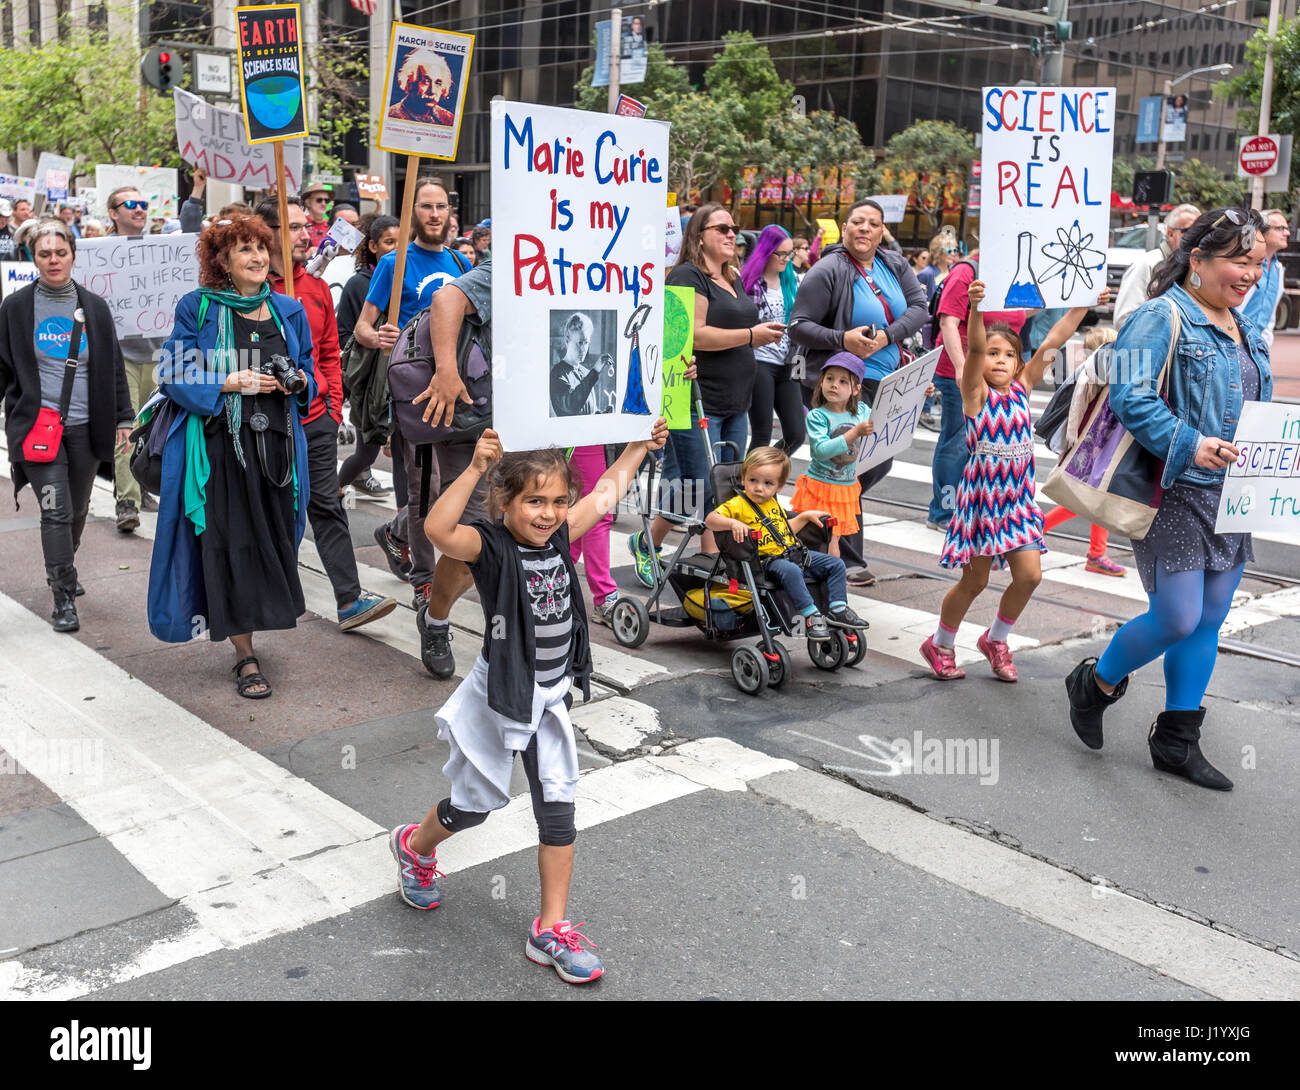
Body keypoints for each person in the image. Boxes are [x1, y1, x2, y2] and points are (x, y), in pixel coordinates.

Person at [389, 419, 669, 985]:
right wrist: (475, 467)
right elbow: (439, 530)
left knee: (558, 811)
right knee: (473, 808)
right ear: (504, 502)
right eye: (534, 501)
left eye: (559, 501)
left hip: (550, 699)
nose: (549, 514)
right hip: (501, 696)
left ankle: (551, 929)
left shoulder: (561, 534)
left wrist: (639, 446)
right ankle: (416, 846)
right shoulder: (489, 546)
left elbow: (606, 491)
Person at [1065, 208, 1271, 792]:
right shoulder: (1156, 315)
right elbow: (1128, 396)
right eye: (1239, 261)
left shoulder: (1246, 324)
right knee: (1177, 617)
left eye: (1258, 263)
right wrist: (1189, 442)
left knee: (1208, 620)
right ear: (1197, 258)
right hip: (1174, 489)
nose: (1251, 274)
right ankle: (1095, 683)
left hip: (1234, 494)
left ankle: (1177, 740)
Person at [147, 214, 318, 697]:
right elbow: (172, 372)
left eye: (261, 248)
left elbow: (310, 371)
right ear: (222, 261)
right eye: (245, 249)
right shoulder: (197, 307)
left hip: (279, 451)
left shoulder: (289, 310)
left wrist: (299, 383)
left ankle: (258, 618)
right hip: (220, 450)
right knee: (231, 544)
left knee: (274, 540)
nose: (257, 257)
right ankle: (245, 655)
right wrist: (227, 382)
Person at [921, 279, 1091, 683]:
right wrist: (978, 309)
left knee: (1030, 576)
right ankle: (940, 643)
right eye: (993, 354)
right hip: (983, 502)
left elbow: (1053, 340)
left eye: (1009, 355)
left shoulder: (1022, 388)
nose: (999, 360)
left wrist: (1081, 306)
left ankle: (995, 639)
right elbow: (974, 349)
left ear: (1018, 362)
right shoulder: (974, 393)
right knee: (975, 580)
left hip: (1017, 502)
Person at [254, 196, 395, 632]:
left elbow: (330, 352)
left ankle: (349, 599)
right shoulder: (248, 288)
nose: (306, 235)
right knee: (271, 509)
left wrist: (332, 408)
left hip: (315, 419)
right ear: (266, 234)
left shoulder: (314, 287)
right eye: (294, 227)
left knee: (327, 504)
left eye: (306, 226)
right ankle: (266, 596)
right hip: (265, 423)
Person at [355, 175, 471, 674]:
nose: (434, 214)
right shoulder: (393, 264)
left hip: (459, 393)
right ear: (412, 214)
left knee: (462, 492)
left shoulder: (461, 264)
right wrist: (378, 336)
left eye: (441, 206)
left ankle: (397, 529)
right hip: (412, 395)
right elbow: (363, 327)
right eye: (425, 206)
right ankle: (425, 583)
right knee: (427, 489)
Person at [0, 220, 134, 632]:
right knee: (55, 511)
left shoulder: (95, 307)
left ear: (74, 256)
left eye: (61, 253)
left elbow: (113, 367)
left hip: (86, 429)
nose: (53, 260)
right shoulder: (15, 308)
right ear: (33, 257)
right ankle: (62, 596)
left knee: (76, 510)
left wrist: (124, 417)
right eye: (45, 254)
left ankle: (65, 567)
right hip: (37, 430)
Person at [788, 198, 929, 586]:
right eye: (857, 222)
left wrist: (888, 335)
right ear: (845, 228)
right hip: (847, 384)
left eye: (873, 224)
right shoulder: (828, 269)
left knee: (873, 463)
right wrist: (842, 339)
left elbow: (919, 308)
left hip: (890, 380)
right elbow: (798, 325)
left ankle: (817, 520)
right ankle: (845, 557)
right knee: (851, 463)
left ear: (882, 231)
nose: (865, 229)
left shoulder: (894, 264)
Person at [706, 446, 869, 641]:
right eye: (752, 480)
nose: (759, 488)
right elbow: (710, 520)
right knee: (790, 570)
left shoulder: (772, 503)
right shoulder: (737, 505)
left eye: (768, 483)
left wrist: (805, 516)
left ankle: (838, 609)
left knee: (836, 564)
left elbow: (784, 530)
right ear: (743, 480)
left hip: (792, 553)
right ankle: (811, 616)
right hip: (764, 562)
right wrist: (733, 523)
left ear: (779, 487)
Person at [665, 203, 782, 463]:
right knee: (698, 484)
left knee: (728, 483)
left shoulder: (732, 276)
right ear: (699, 237)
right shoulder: (687, 275)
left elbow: (735, 333)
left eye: (734, 229)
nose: (731, 234)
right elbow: (693, 336)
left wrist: (762, 335)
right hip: (699, 403)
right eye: (722, 229)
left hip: (737, 404)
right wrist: (751, 335)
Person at [925, 247, 1025, 535]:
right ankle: (944, 511)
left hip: (996, 373)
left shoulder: (1011, 272)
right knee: (957, 442)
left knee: (983, 444)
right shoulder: (966, 271)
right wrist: (961, 366)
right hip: (961, 373)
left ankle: (972, 508)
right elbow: (948, 322)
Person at [1038, 323, 1127, 576]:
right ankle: (1034, 531)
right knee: (1087, 499)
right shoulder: (1099, 377)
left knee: (1096, 498)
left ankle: (1096, 554)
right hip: (1092, 447)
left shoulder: (1095, 374)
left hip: (1095, 446)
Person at [105, 185, 165, 533]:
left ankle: (141, 486)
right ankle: (126, 502)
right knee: (125, 428)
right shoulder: (100, 254)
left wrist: (198, 190)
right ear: (114, 213)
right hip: (121, 357)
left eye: (143, 203)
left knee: (152, 428)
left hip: (157, 354)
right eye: (131, 204)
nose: (140, 209)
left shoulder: (163, 249)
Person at [337, 213, 400, 501]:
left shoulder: (408, 279)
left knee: (398, 453)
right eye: (389, 242)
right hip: (368, 380)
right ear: (373, 246)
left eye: (401, 242)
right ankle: (333, 490)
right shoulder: (358, 284)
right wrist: (372, 340)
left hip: (400, 378)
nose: (396, 249)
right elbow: (345, 333)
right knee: (367, 452)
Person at [790, 353, 874, 556]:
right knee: (811, 538)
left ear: (856, 389)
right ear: (821, 382)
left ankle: (831, 571)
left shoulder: (862, 411)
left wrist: (921, 395)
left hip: (845, 488)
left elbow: (890, 415)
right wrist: (855, 433)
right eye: (829, 378)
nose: (834, 385)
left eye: (843, 381)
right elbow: (821, 451)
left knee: (833, 540)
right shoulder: (818, 416)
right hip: (820, 487)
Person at [741, 225, 805, 454]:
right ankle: (753, 476)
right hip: (759, 362)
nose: (787, 258)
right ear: (766, 252)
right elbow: (741, 324)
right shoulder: (750, 283)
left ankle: (766, 470)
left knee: (796, 435)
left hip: (788, 362)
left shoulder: (793, 281)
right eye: (782, 254)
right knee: (761, 435)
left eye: (790, 253)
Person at [1114, 204, 1200, 328]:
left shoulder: (1198, 267)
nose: (1196, 237)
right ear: (1170, 233)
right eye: (1189, 231)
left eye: (1200, 232)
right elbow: (1124, 319)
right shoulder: (1147, 264)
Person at [568, 445, 621, 625]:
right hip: (584, 433)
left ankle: (559, 567)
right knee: (598, 509)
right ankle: (604, 595)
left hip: (603, 433)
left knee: (583, 505)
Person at [1240, 208, 1291, 346]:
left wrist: (1265, 343)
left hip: (1258, 346)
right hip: (1232, 342)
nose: (1287, 233)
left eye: (1287, 228)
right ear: (1262, 231)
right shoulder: (1242, 264)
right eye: (1280, 228)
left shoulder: (1277, 269)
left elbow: (1270, 314)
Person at [387, 47, 457, 126]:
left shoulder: (449, 119)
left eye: (438, 83)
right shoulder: (391, 116)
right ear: (409, 82)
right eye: (426, 81)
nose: (432, 91)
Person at [301, 183, 332, 252]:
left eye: (326, 201)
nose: (323, 203)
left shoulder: (331, 225)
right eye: (319, 200)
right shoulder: (300, 224)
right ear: (308, 202)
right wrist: (307, 255)